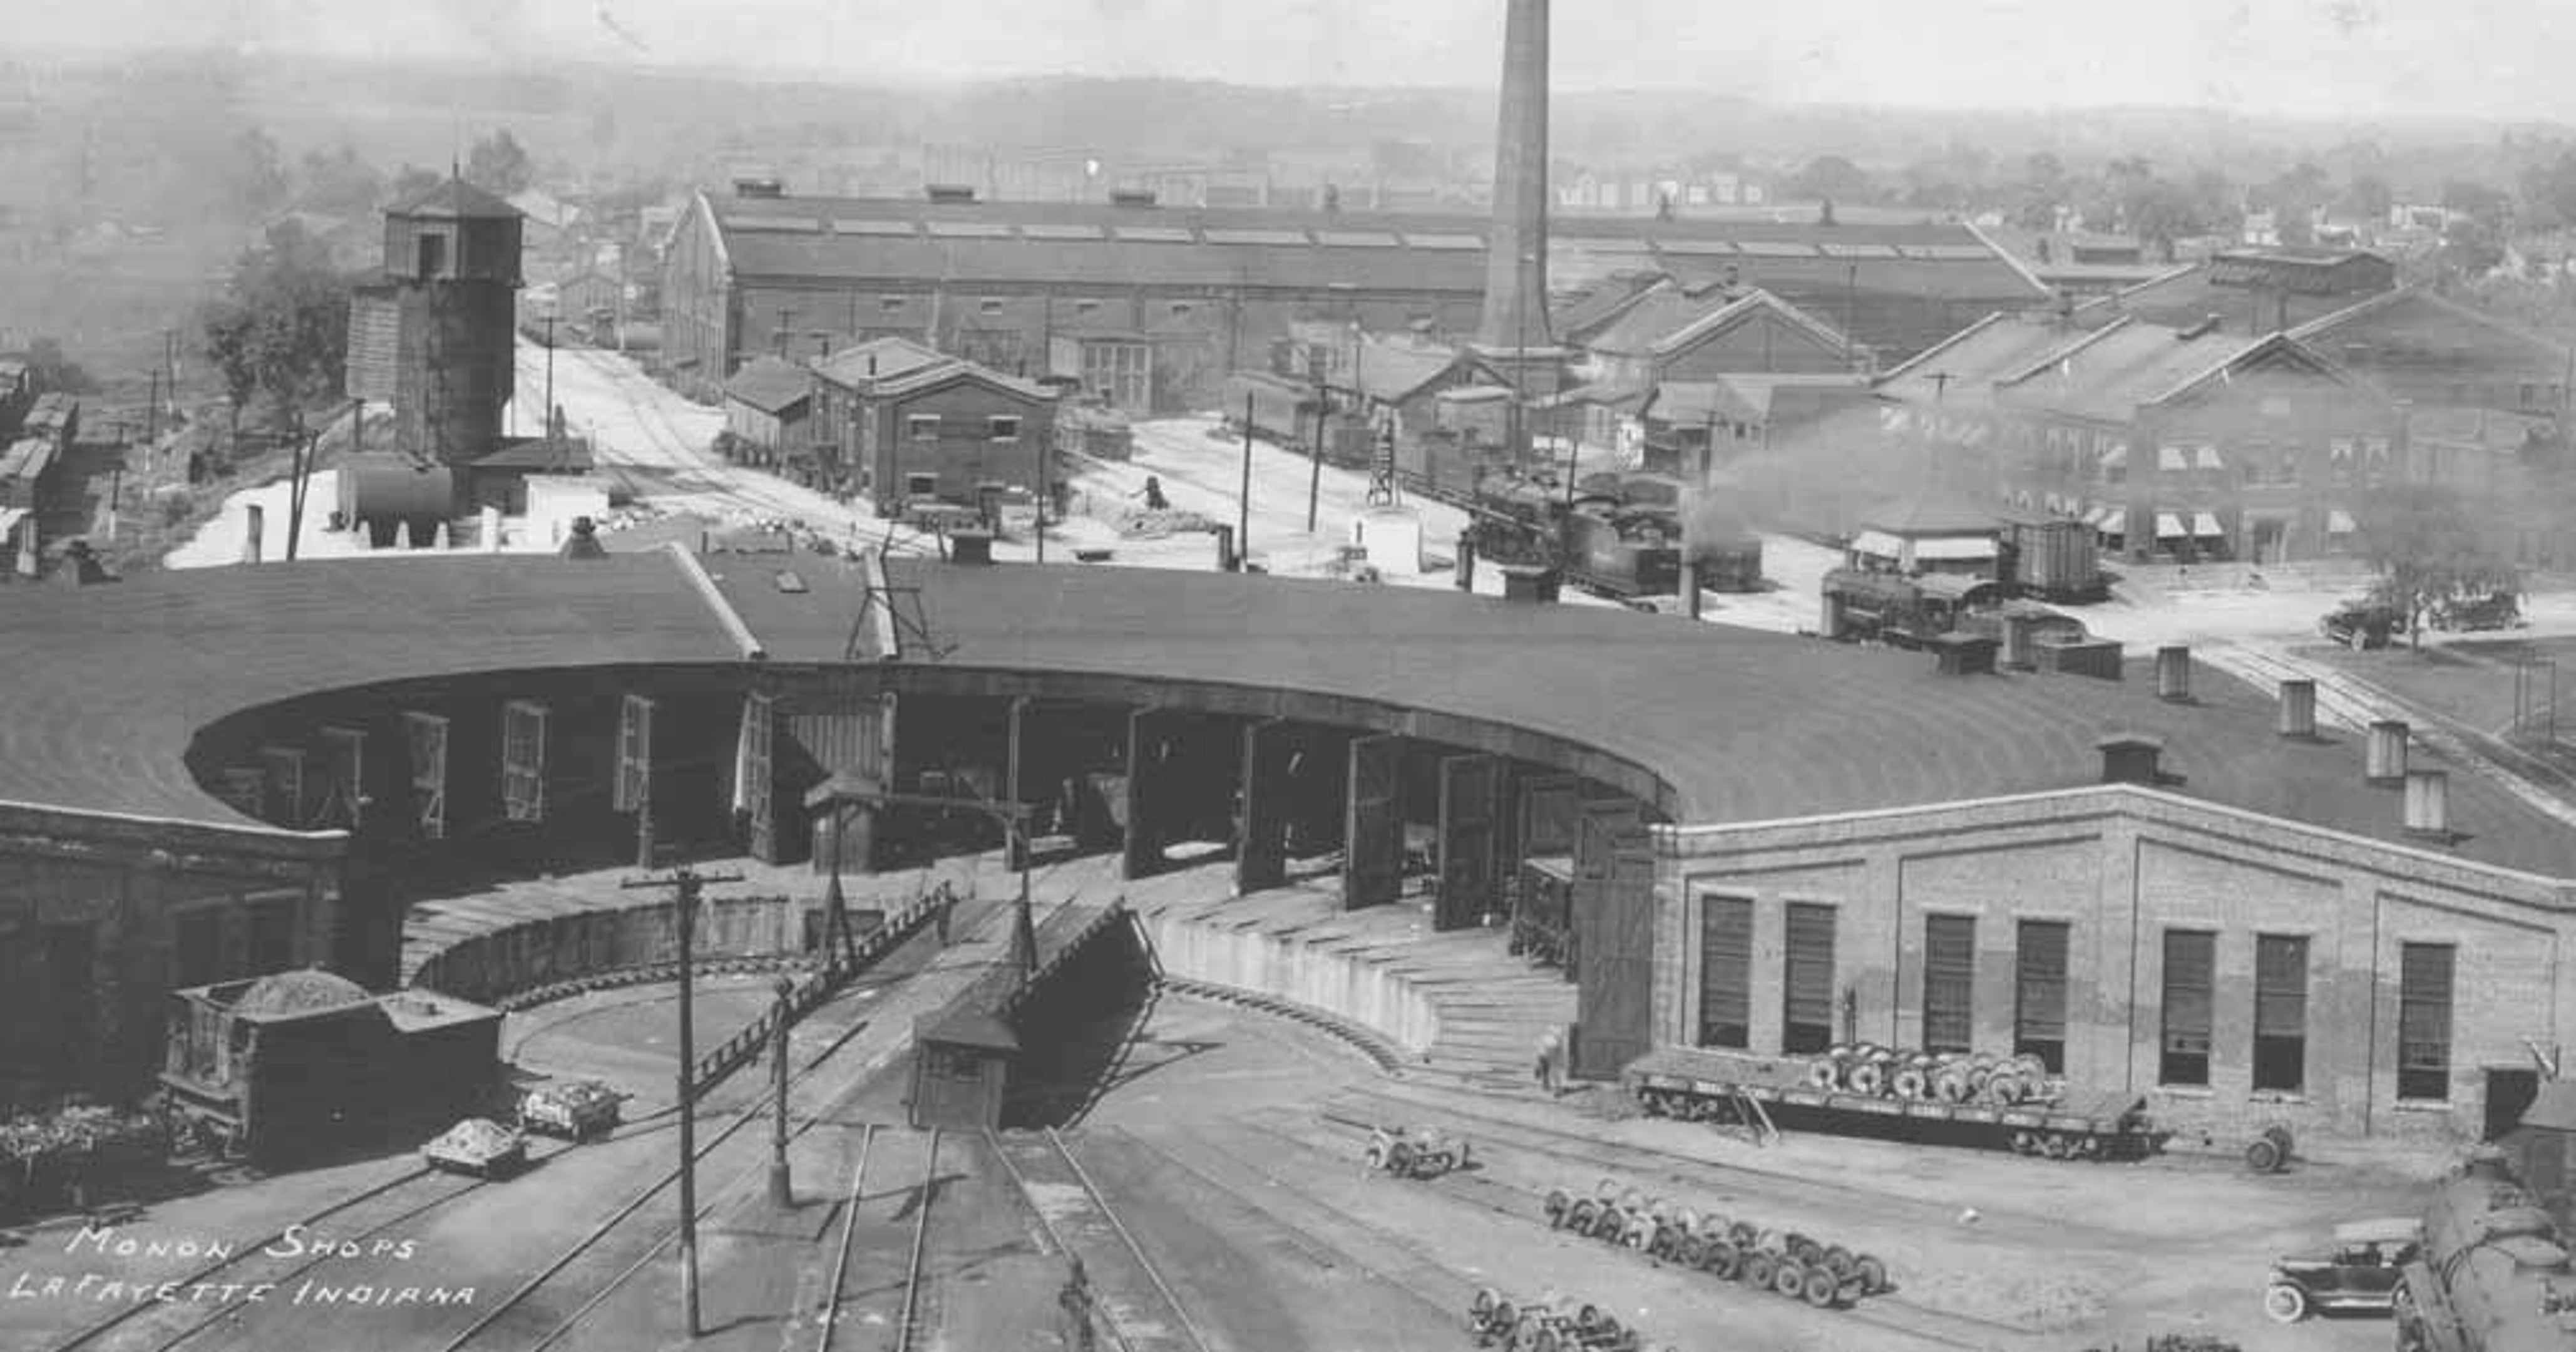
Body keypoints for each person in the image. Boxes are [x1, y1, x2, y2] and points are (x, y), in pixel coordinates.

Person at [1535, 1028, 1562, 1096]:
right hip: (1545, 1055)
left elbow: (1539, 1046)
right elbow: (1554, 1052)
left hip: (1541, 1054)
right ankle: (1549, 1086)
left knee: (1545, 1071)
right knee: (1547, 1071)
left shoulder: (1546, 1038)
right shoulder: (1554, 1042)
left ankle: (1546, 1085)